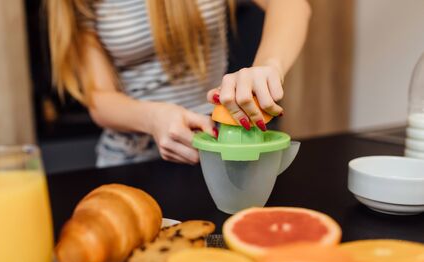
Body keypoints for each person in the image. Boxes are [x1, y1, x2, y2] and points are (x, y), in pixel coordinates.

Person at [47, 0, 311, 167]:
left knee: (216, 246)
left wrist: (268, 65)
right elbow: (101, 98)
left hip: (217, 153)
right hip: (131, 162)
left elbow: (292, 5)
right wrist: (153, 118)